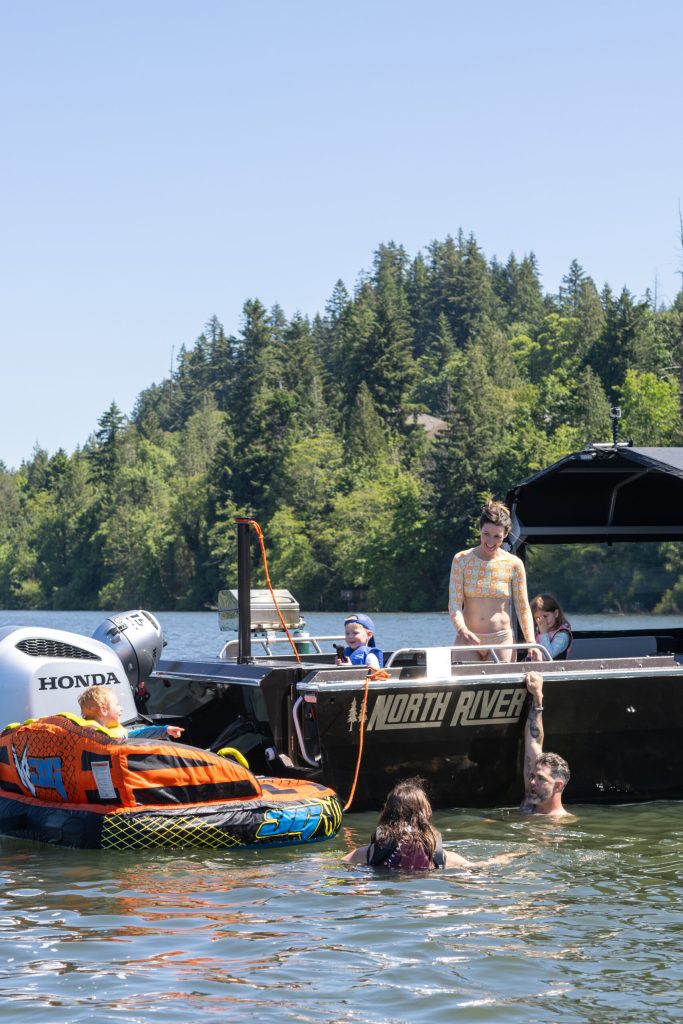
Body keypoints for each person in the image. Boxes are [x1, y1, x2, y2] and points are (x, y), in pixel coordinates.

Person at [343, 777, 524, 869]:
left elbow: (335, 865)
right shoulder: (437, 856)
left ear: (387, 812)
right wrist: (507, 857)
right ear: (425, 814)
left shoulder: (371, 853)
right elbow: (479, 866)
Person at [448, 499, 541, 663]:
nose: (490, 542)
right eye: (486, 534)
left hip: (501, 639)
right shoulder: (461, 560)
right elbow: (454, 604)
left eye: (497, 536)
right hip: (468, 637)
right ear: (479, 529)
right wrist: (461, 630)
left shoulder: (514, 564)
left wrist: (531, 643)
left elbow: (522, 607)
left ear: (505, 535)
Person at [520, 671, 570, 817]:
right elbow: (534, 741)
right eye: (533, 776)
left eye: (541, 778)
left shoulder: (563, 822)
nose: (532, 782)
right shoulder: (530, 805)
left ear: (558, 785)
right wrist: (537, 697)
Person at [77, 687, 184, 740]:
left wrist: (165, 730)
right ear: (104, 711)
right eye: (117, 704)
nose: (121, 708)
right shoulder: (101, 737)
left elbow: (139, 733)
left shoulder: (83, 733)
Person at [531, 593, 573, 661]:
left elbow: (549, 655)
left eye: (545, 616)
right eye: (537, 618)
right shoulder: (537, 633)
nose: (542, 621)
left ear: (556, 614)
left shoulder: (563, 634)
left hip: (555, 667)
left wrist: (543, 632)